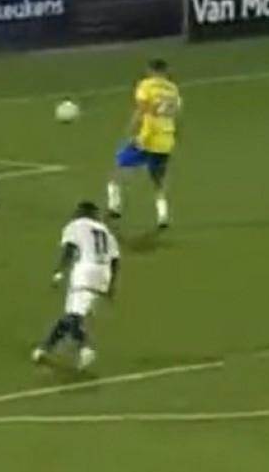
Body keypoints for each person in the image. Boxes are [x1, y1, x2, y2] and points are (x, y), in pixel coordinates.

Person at [33, 201, 120, 371]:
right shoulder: (106, 231)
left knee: (74, 317)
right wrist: (111, 285)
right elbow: (115, 260)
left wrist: (60, 271)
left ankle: (85, 347)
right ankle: (44, 349)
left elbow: (70, 248)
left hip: (84, 272)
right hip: (104, 274)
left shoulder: (76, 225)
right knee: (71, 315)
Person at [107, 58, 182, 229]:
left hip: (147, 138)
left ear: (151, 71)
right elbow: (176, 115)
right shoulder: (173, 90)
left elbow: (142, 109)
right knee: (158, 179)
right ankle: (162, 216)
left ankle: (114, 206)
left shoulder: (146, 85)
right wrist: (176, 136)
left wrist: (130, 131)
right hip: (165, 141)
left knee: (117, 169)